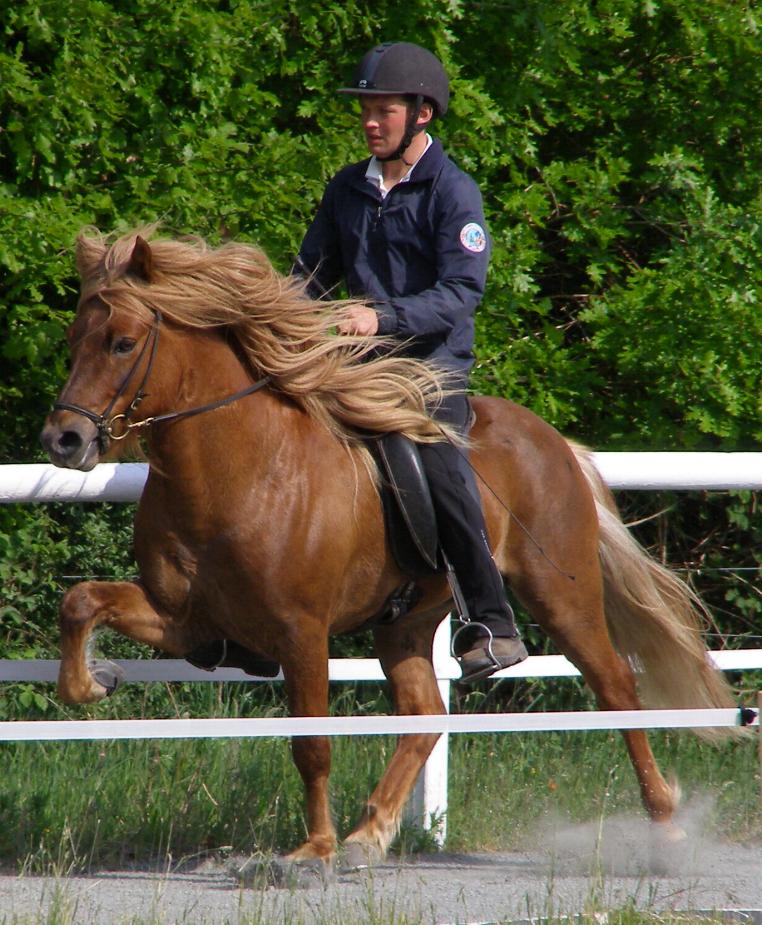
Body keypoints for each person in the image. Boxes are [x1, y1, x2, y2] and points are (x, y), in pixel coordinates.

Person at [295, 41, 527, 682]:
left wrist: (383, 317)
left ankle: (491, 619)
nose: (370, 122)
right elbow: (309, 276)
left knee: (442, 465)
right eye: (365, 110)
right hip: (356, 366)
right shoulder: (347, 188)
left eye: (383, 110)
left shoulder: (454, 193)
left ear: (422, 113)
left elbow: (461, 293)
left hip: (431, 368)